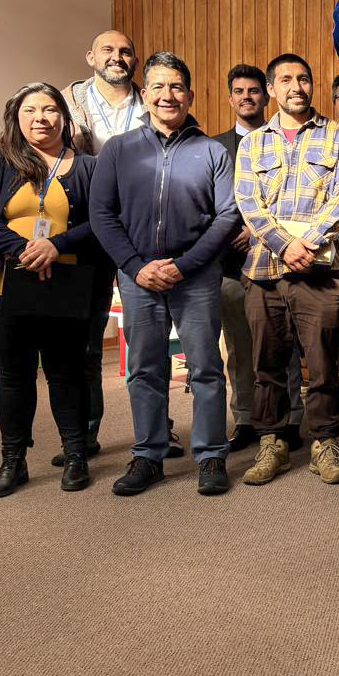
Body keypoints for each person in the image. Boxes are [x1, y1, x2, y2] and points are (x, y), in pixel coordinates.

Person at [89, 52, 239, 496]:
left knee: (206, 368)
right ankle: (148, 455)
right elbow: (102, 214)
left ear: (190, 95)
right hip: (139, 280)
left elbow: (227, 216)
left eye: (176, 86)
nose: (167, 95)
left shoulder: (212, 151)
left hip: (196, 278)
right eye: (157, 86)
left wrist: (183, 265)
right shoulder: (118, 150)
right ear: (145, 94)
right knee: (144, 369)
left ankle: (211, 456)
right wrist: (136, 268)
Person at [0, 83, 100, 496]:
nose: (40, 117)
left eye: (49, 109)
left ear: (64, 116)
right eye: (30, 110)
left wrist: (55, 245)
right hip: (4, 284)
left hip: (66, 284)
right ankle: (13, 461)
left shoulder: (88, 166)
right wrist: (23, 247)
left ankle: (75, 455)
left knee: (65, 372)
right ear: (17, 118)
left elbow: (102, 221)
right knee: (14, 375)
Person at [235, 53, 339, 486]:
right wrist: (284, 245)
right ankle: (273, 441)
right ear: (271, 88)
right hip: (264, 270)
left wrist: (308, 243)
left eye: (303, 79)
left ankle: (325, 442)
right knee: (266, 364)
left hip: (321, 270)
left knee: (324, 362)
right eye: (286, 79)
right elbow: (249, 203)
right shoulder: (252, 144)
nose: (296, 86)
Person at [61, 29, 176, 463]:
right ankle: (85, 433)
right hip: (87, 230)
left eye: (126, 50)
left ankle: (159, 429)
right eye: (108, 50)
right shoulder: (68, 103)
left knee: (148, 338)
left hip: (142, 232)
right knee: (87, 339)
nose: (117, 57)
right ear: (91, 55)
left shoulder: (152, 102)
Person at [213, 64, 305, 453]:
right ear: (231, 97)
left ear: (266, 95)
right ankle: (247, 418)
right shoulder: (214, 146)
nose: (247, 97)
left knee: (285, 347)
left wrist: (259, 229)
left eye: (254, 91)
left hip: (280, 261)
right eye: (239, 91)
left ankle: (292, 420)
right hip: (232, 266)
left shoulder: (288, 139)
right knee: (240, 349)